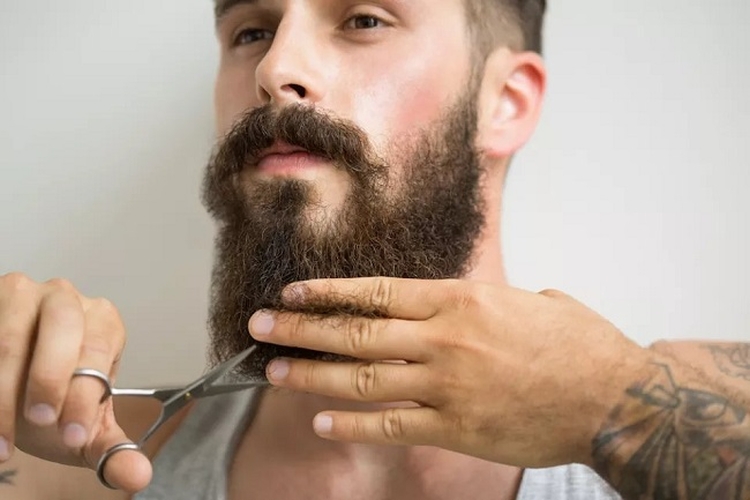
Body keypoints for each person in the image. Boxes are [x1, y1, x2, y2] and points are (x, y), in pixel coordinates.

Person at [1, 0, 748, 499]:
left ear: (505, 102)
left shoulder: (665, 416)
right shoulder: (97, 455)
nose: (273, 70)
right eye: (251, 31)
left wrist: (610, 403)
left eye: (362, 18)